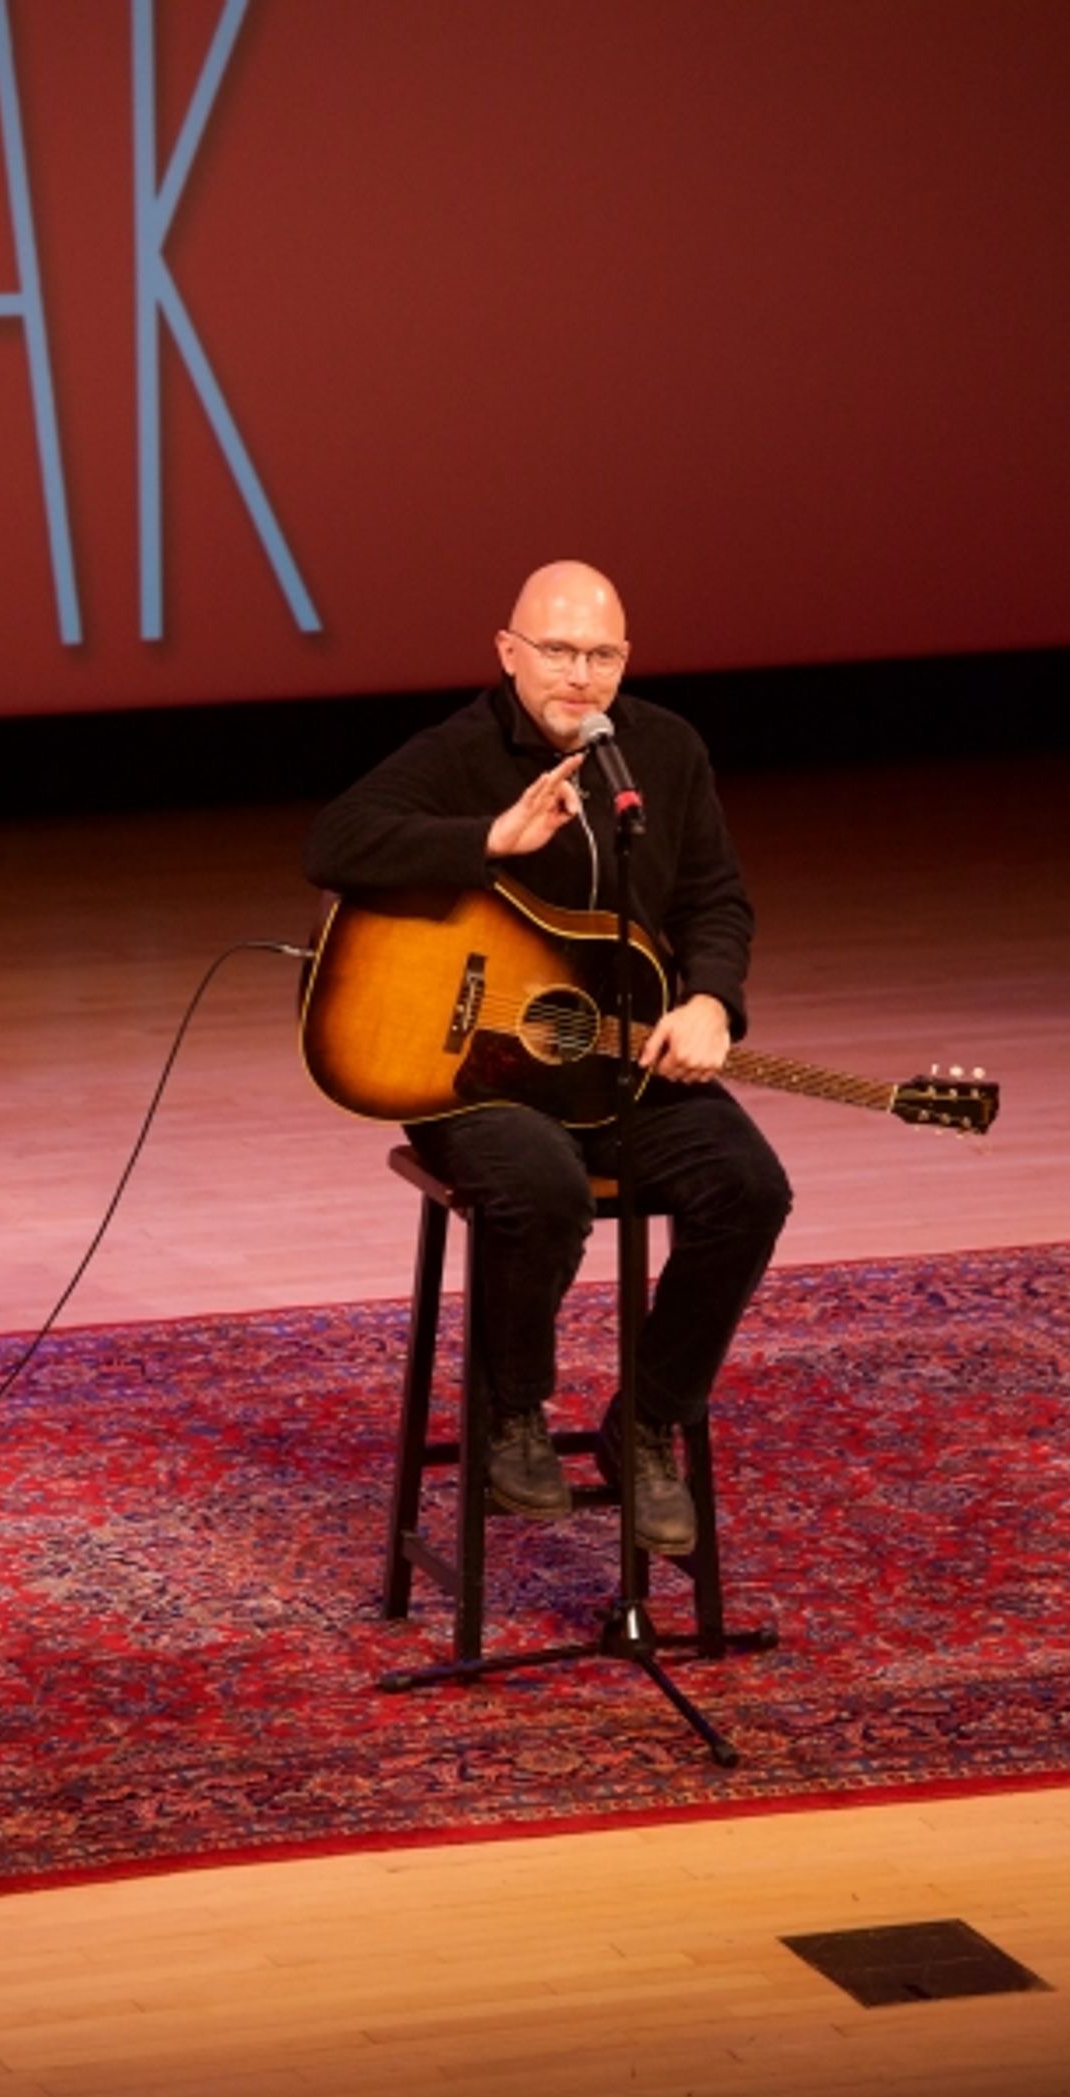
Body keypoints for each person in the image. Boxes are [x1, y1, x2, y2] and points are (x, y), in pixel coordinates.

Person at [305, 560, 792, 1554]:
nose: (579, 674)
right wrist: (488, 837)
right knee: (542, 1188)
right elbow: (334, 841)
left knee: (747, 1188)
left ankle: (647, 1421)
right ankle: (511, 1412)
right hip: (471, 1066)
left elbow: (714, 901)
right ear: (508, 653)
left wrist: (709, 1001)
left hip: (617, 1056)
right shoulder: (459, 751)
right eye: (559, 652)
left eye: (600, 655)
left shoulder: (662, 750)